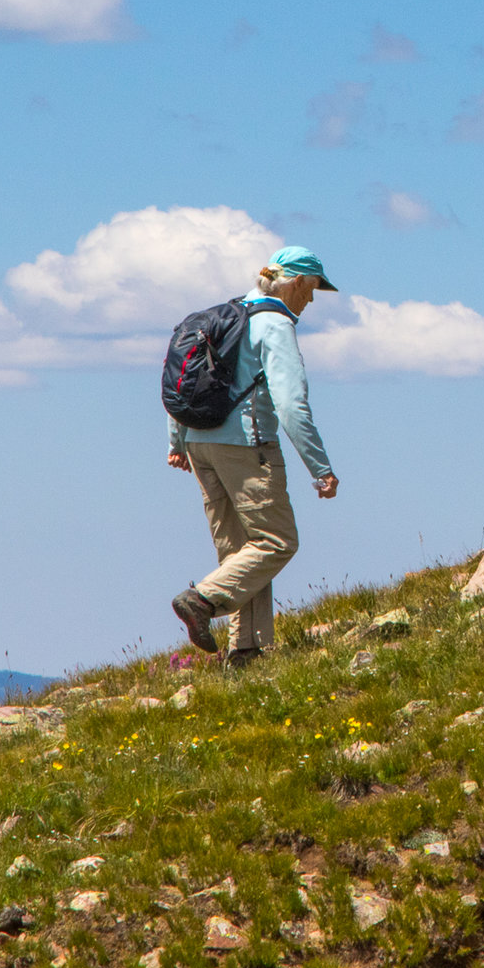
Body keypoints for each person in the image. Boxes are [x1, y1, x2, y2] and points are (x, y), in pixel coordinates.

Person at [167, 245, 342, 667]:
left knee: (241, 552)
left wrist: (177, 440)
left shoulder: (224, 316)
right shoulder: (274, 324)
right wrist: (321, 469)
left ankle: (246, 651)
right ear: (297, 282)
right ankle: (202, 601)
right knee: (276, 541)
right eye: (314, 288)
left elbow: (183, 378)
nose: (313, 299)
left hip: (199, 441)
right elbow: (292, 404)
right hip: (247, 446)